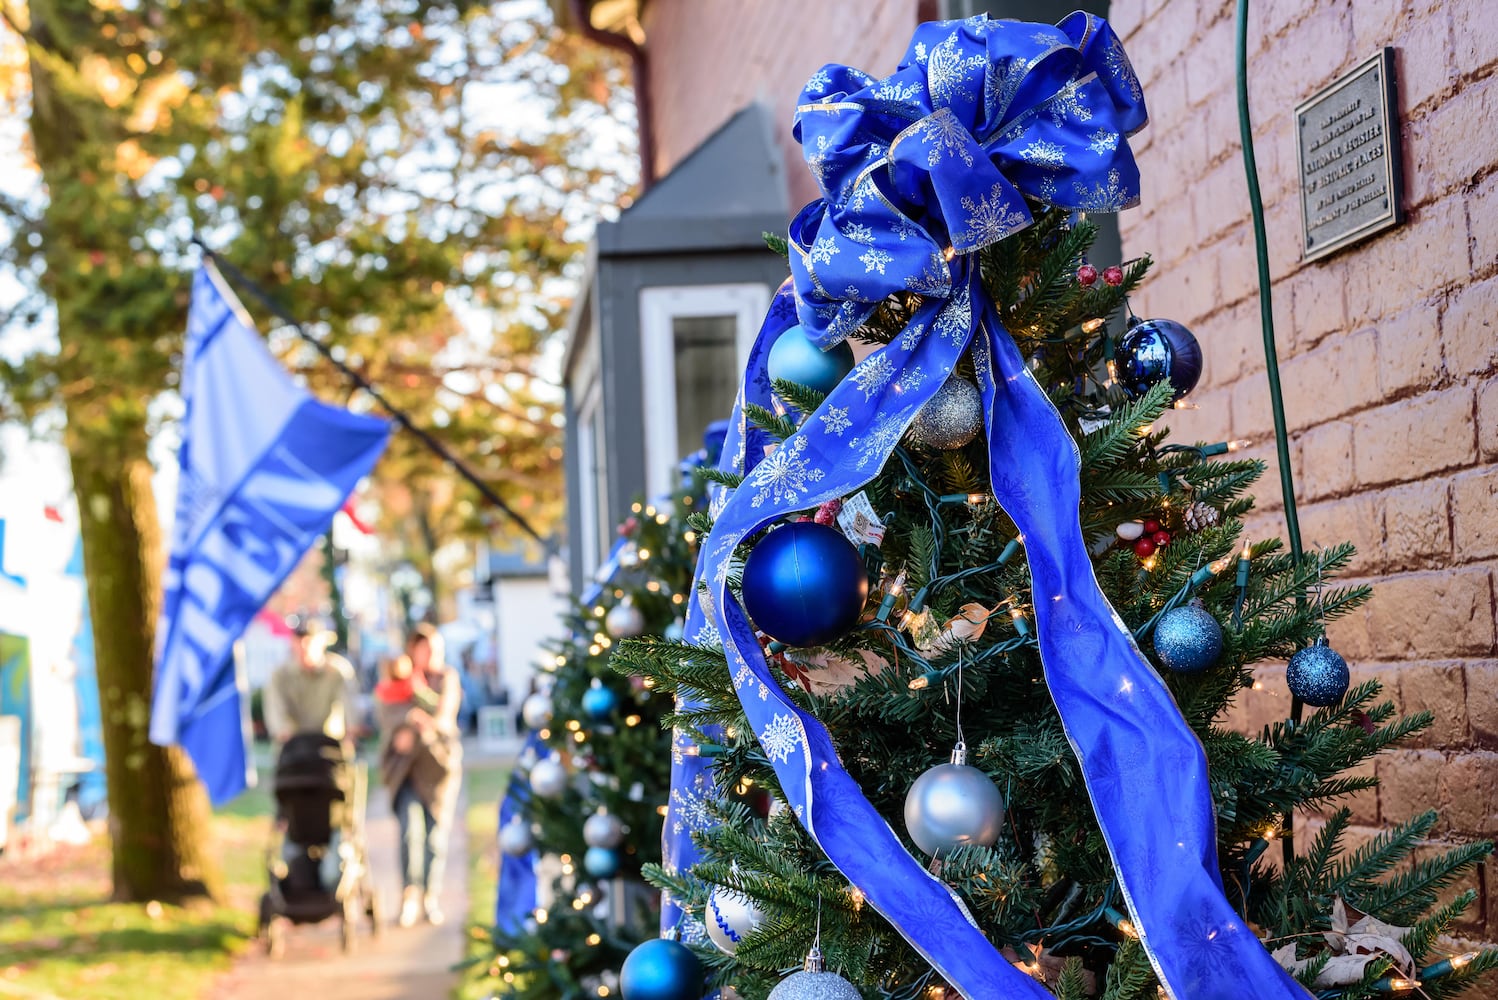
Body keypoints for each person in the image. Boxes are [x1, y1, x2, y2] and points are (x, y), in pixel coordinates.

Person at [378, 624, 463, 927]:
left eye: (429, 648)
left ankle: (431, 896)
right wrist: (407, 719)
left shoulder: (446, 678)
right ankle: (409, 895)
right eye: (419, 648)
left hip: (438, 769)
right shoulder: (398, 677)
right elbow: (387, 711)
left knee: (434, 838)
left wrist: (420, 714)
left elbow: (444, 714)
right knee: (407, 833)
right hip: (406, 771)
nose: (423, 654)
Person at [262, 616, 361, 745]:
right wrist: (283, 731)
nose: (304, 646)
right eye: (299, 641)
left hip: (330, 745)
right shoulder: (280, 675)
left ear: (323, 642)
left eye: (309, 640)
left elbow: (350, 705)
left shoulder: (338, 671)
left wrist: (352, 730)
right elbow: (276, 713)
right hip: (293, 747)